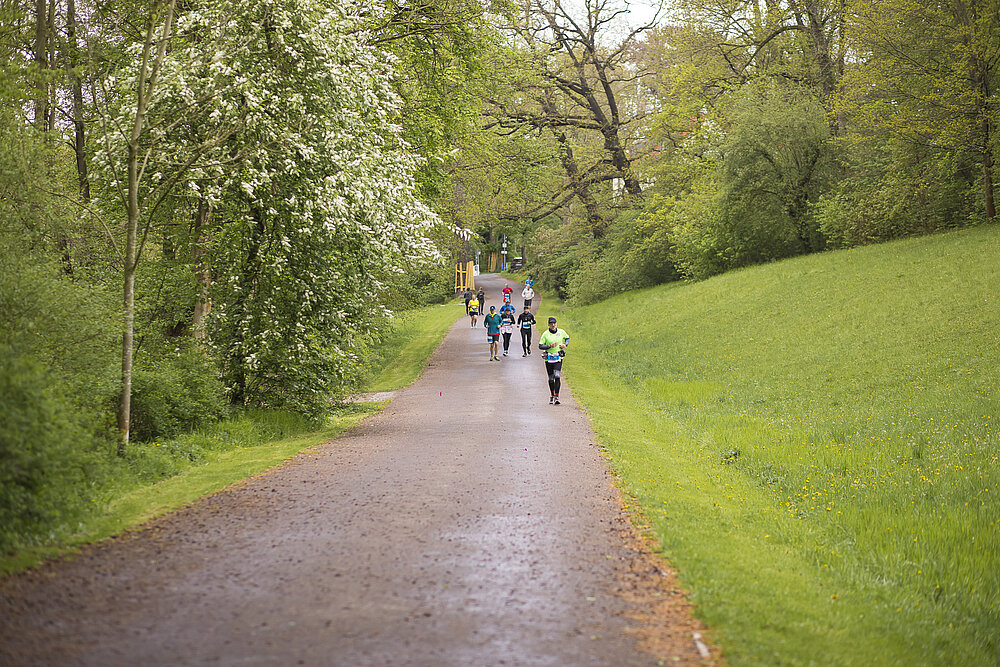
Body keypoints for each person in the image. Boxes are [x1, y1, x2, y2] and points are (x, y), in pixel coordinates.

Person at [538, 316, 569, 404]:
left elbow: (567, 338)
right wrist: (549, 346)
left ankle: (557, 396)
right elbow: (540, 346)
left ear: (556, 324)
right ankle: (552, 394)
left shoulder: (561, 332)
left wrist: (565, 344)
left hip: (558, 357)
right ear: (548, 325)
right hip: (549, 358)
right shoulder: (545, 334)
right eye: (551, 323)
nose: (553, 325)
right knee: (551, 378)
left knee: (557, 376)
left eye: (554, 323)